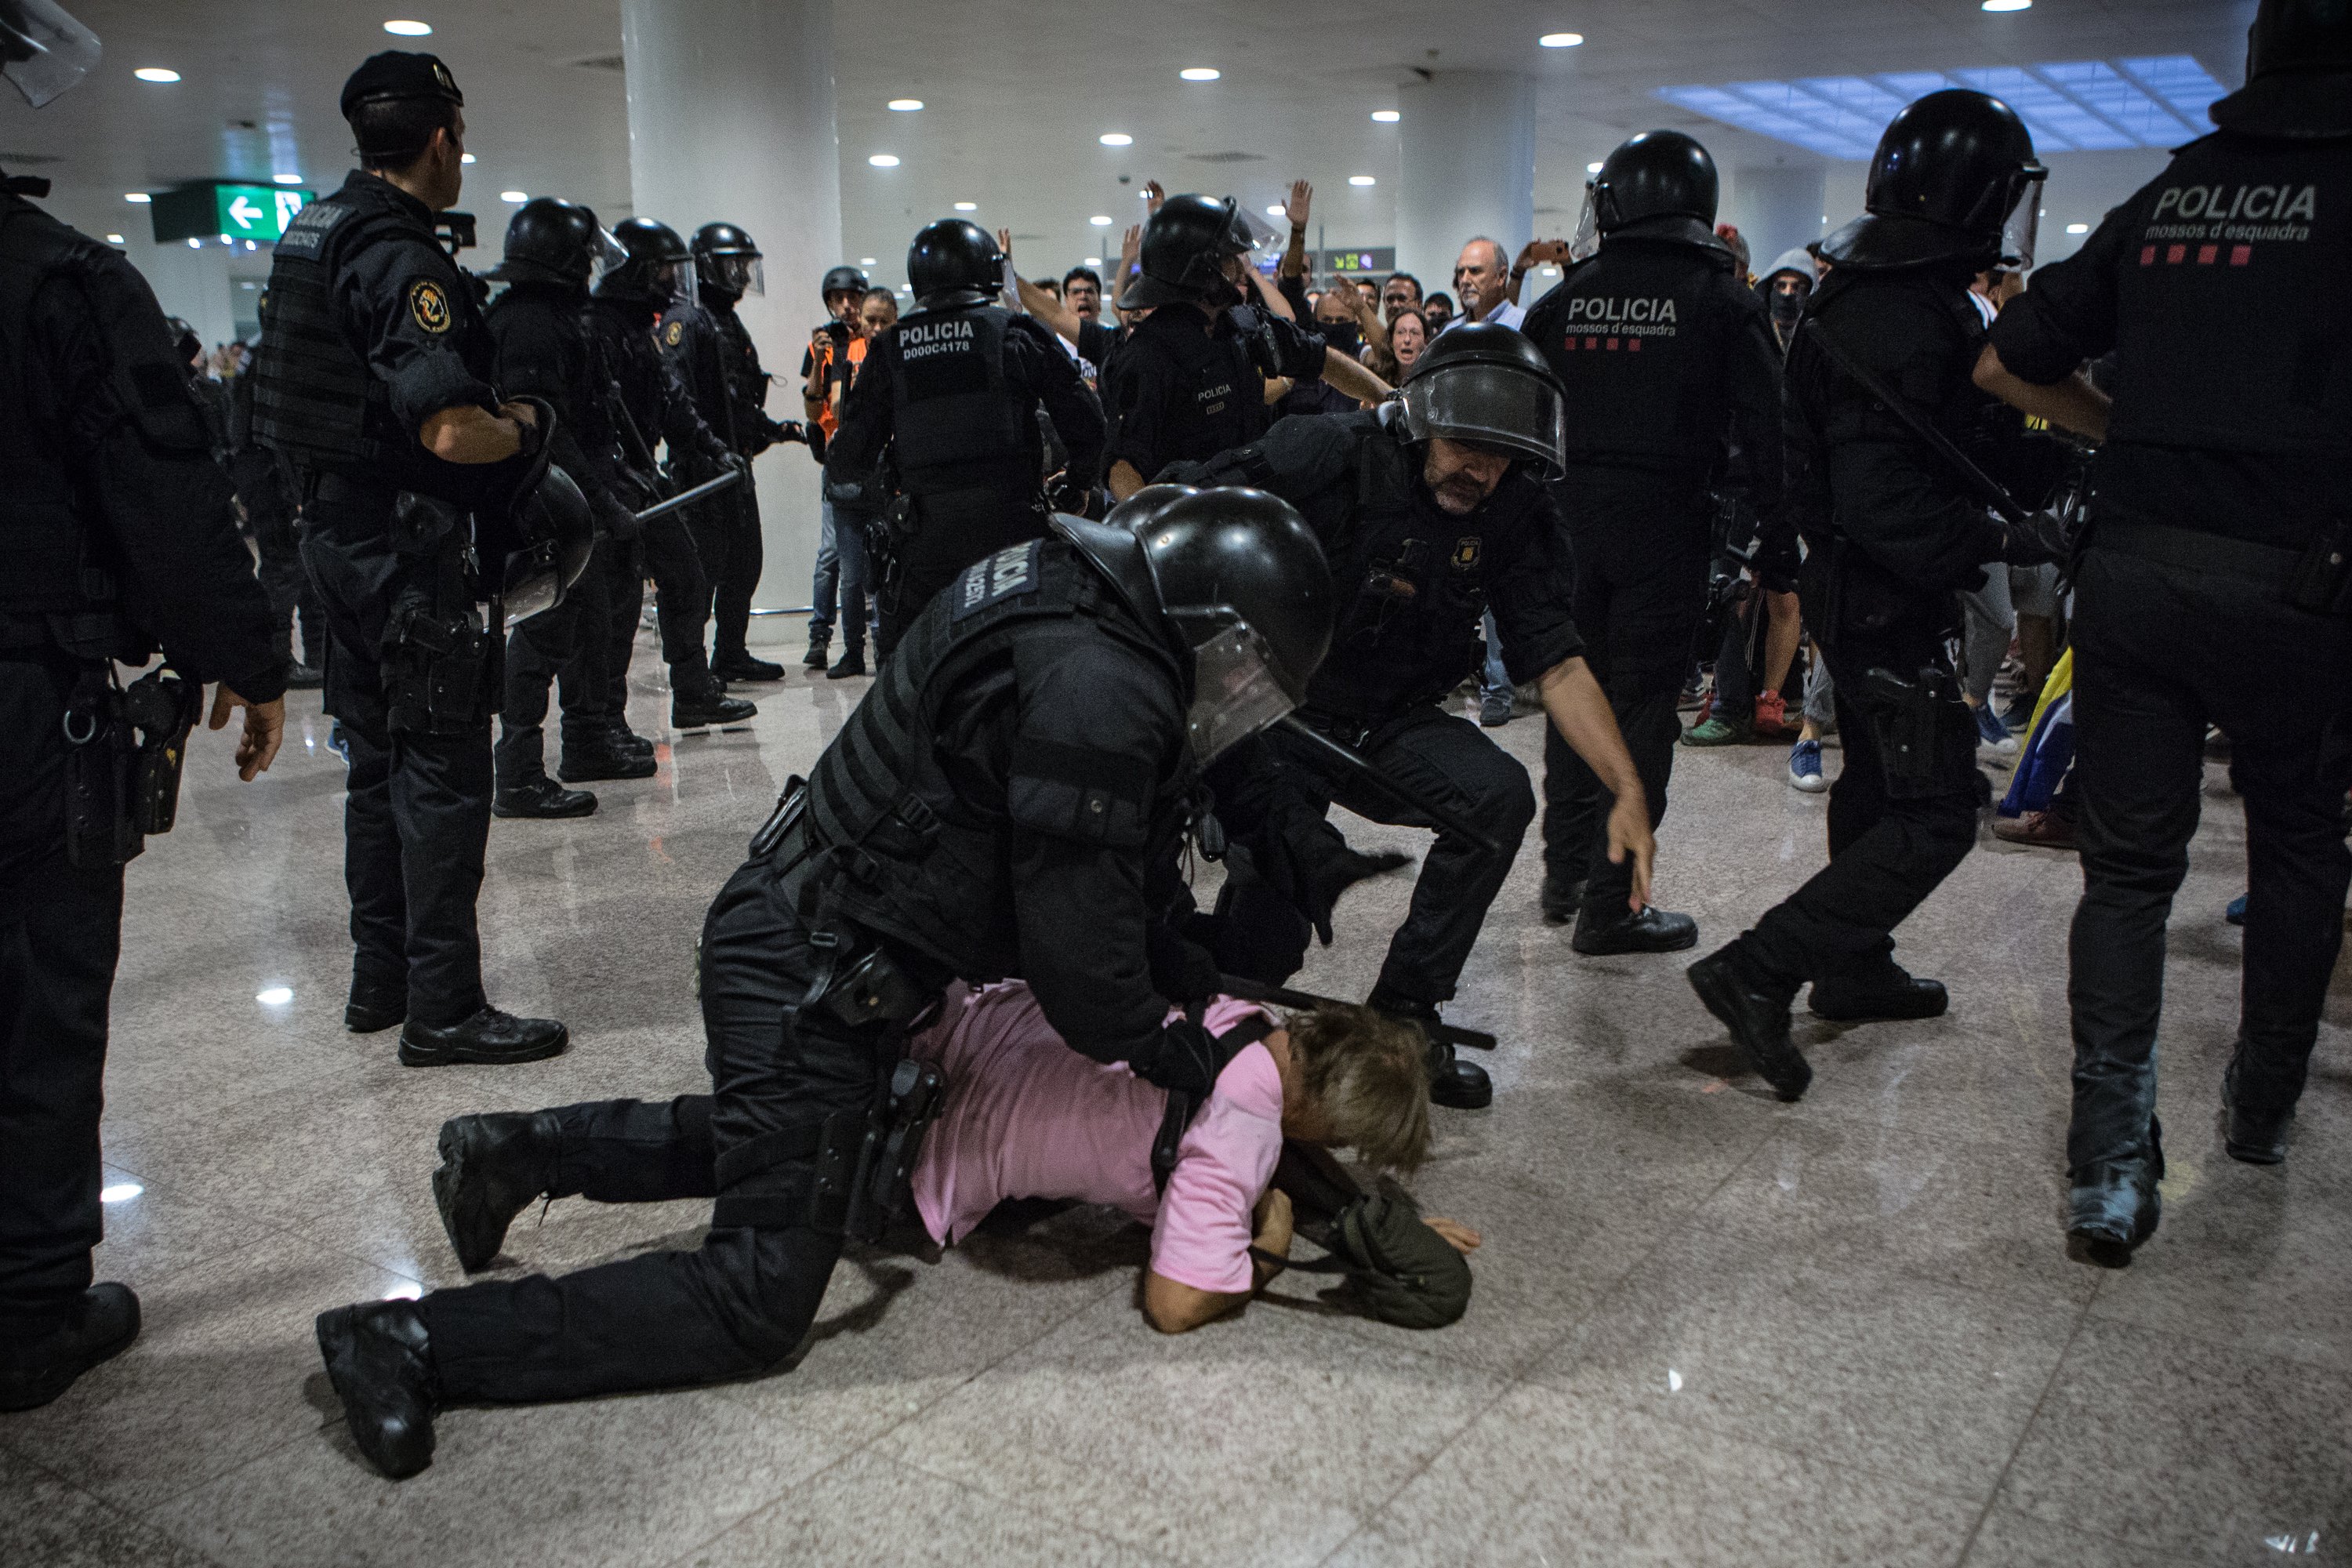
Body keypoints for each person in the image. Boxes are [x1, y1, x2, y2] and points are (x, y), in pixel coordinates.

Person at [310, 489, 1338, 1479]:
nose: (1240, 701)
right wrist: (1185, 1050)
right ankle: (407, 1340)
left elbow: (1129, 879)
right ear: (1209, 624)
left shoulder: (1075, 607)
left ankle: (517, 1152)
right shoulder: (1103, 688)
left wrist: (1197, 988)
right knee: (754, 1297)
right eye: (1247, 673)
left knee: (813, 1154)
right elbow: (1084, 970)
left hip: (824, 946)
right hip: (807, 961)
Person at [1974, 0, 2352, 1255]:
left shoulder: (2178, 191)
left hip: (2133, 583)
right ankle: (2260, 1109)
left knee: (2130, 874)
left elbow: (2013, 353)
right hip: (2304, 593)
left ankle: (2109, 1163)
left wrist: (2123, 433)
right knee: (2298, 844)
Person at [0, 9, 287, 1406]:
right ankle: (27, 1304)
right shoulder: (58, 283)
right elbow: (166, 501)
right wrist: (247, 654)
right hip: (17, 700)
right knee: (37, 993)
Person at [393, 981, 1472, 1348]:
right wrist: (1271, 1250)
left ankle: (519, 1147)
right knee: (763, 1164)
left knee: (753, 1134)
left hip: (941, 1036)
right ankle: (519, 1152)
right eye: (1350, 1146)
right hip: (931, 1154)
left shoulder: (1249, 1021)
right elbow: (1178, 1300)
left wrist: (1361, 1208)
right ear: (1322, 1118)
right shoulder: (1243, 1135)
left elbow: (1263, 1123)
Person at [1162, 325, 1657, 1111]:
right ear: (1422, 419)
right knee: (1270, 934)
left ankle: (1404, 1012)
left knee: (1495, 800)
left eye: (1498, 453)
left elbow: (1557, 661)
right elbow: (1180, 513)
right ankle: (1195, 1029)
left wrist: (1624, 787)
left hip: (1390, 717)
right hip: (1281, 714)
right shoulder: (1326, 456)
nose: (1479, 468)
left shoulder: (1515, 507)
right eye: (1463, 443)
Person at [1684, 89, 2066, 1102]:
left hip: (1860, 589)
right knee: (1939, 809)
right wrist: (2005, 535)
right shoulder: (1905, 311)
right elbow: (1890, 500)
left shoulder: (1876, 292)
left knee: (1874, 786)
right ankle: (1759, 968)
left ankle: (1851, 964)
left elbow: (1935, 453)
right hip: (1884, 592)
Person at [251, 49, 568, 1066]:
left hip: (335, 542)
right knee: (440, 776)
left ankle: (379, 983)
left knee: (374, 767)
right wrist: (525, 431)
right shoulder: (398, 255)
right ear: (439, 141)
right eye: (460, 141)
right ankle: (446, 1008)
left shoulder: (314, 233)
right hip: (405, 549)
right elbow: (446, 431)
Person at [1521, 129, 1784, 952]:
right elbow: (1772, 437)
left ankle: (1565, 872)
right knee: (1638, 707)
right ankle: (1611, 903)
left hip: (1566, 523)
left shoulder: (1563, 298)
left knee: (1573, 693)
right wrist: (1779, 548)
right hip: (1665, 524)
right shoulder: (1722, 299)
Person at [824, 218, 1105, 652]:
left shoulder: (889, 348)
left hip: (923, 543)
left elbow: (848, 458)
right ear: (986, 270)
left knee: (914, 673)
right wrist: (1079, 481)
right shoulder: (1014, 332)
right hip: (1011, 537)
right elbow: (1087, 421)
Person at [482, 198, 634, 819]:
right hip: (540, 504)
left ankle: (586, 743)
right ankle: (517, 774)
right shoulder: (531, 324)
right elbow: (548, 430)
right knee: (544, 635)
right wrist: (600, 503)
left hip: (562, 500)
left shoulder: (546, 317)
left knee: (584, 625)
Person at [583, 217, 754, 735]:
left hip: (637, 474)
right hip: (605, 480)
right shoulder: (600, 328)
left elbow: (673, 403)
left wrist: (711, 446)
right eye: (662, 270)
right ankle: (603, 724)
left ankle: (693, 691)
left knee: (686, 575)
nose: (671, 282)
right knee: (616, 602)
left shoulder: (638, 329)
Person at [1102, 193, 1391, 499]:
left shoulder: (1245, 323)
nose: (1241, 270)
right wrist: (1160, 531)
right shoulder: (1148, 354)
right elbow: (1123, 467)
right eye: (1230, 258)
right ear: (1200, 269)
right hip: (1190, 521)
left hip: (1250, 511)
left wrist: (1392, 401)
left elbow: (1320, 359)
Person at [660, 221, 810, 685]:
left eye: (745, 265)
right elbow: (677, 400)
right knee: (698, 578)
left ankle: (730, 653)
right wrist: (708, 451)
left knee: (744, 566)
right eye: (733, 265)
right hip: (703, 475)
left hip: (733, 468)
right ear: (706, 267)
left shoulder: (724, 320)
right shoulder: (685, 319)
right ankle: (692, 671)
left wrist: (779, 431)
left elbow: (736, 403)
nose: (743, 275)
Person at [226, 323, 324, 688]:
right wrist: (294, 490)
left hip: (263, 469)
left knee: (305, 567)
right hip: (272, 472)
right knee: (284, 568)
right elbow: (280, 424)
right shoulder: (276, 351)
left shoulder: (259, 347)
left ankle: (316, 655)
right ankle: (279, 660)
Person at [800, 263, 868, 670]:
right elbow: (812, 411)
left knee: (870, 556)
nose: (845, 306)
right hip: (837, 458)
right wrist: (819, 361)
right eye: (837, 299)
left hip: (873, 458)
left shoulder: (873, 342)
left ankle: (874, 636)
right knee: (831, 555)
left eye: (852, 298)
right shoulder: (819, 348)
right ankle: (819, 635)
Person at [1447, 239, 1523, 330]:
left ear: (1501, 276)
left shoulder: (1524, 325)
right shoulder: (1451, 331)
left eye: (1474, 271)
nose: (1464, 280)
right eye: (1461, 272)